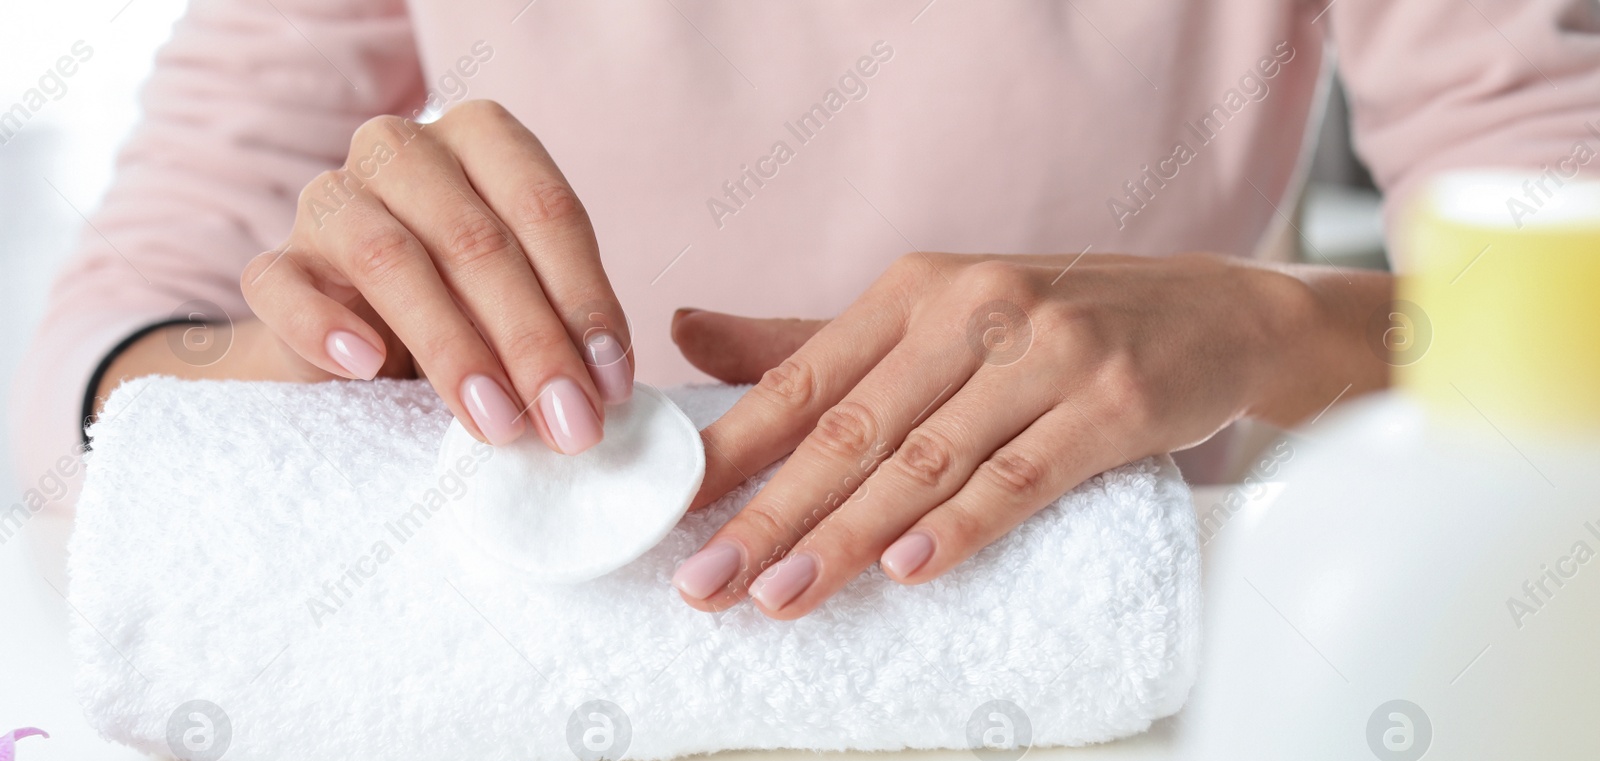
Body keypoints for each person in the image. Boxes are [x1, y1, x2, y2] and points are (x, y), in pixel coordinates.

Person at [12, 0, 1598, 618]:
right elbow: (95, 357)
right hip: (543, 656)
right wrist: (261, 374)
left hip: (1119, 698)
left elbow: (1567, 273)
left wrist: (1287, 334)